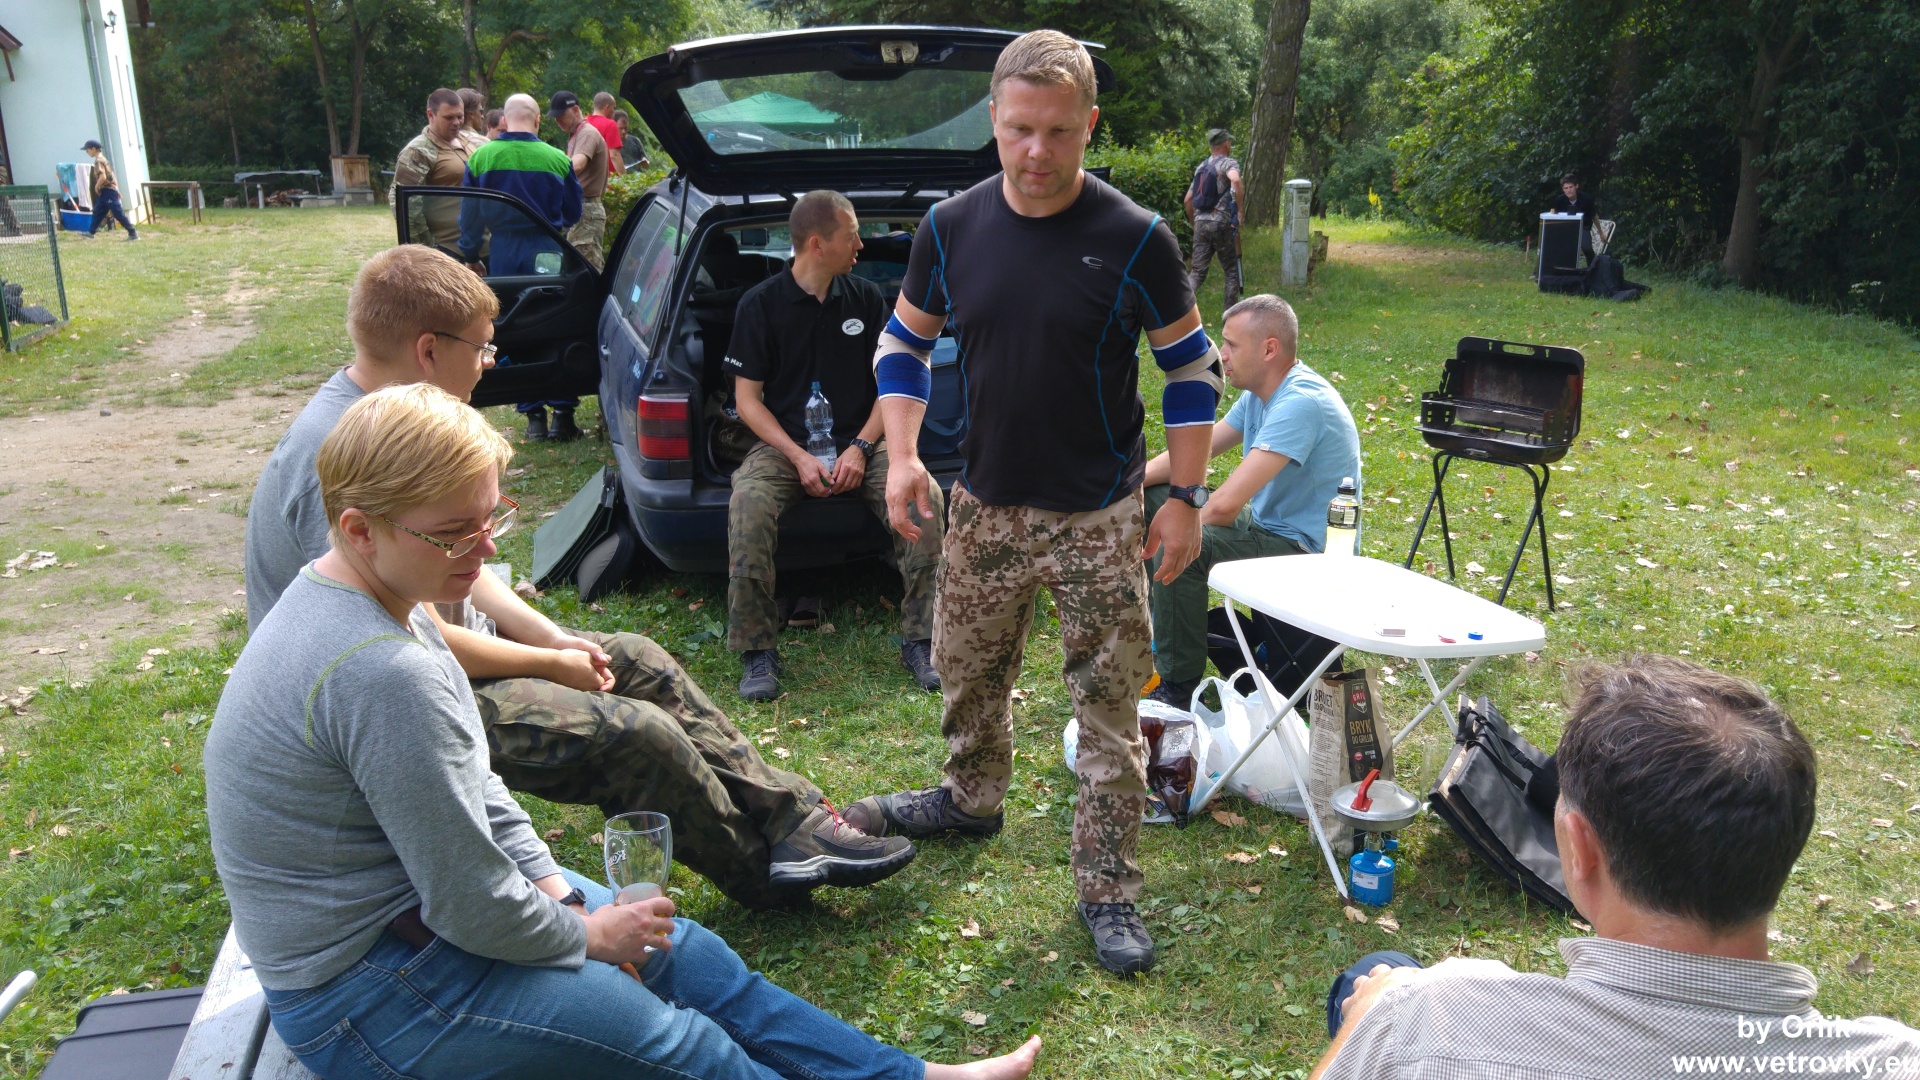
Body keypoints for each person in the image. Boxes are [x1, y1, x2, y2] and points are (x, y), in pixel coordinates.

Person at [208, 381, 1045, 1080]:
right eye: (456, 532)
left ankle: (912, 1079)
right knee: (686, 1048)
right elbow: (468, 900)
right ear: (360, 528)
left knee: (688, 955)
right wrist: (585, 933)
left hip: (419, 923)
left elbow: (479, 797)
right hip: (365, 989)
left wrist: (563, 895)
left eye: (491, 520)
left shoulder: (390, 598)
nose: (484, 551)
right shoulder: (378, 670)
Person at [244, 245, 914, 910]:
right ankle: (763, 874)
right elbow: (403, 648)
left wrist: (554, 639)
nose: (490, 360)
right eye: (481, 346)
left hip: (454, 659)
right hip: (407, 702)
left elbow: (459, 561)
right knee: (634, 736)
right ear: (428, 350)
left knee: (638, 660)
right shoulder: (338, 457)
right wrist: (548, 662)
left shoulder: (399, 417)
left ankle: (795, 822)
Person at [843, 30, 1223, 977]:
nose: (1037, 152)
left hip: (1099, 514)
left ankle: (1108, 886)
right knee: (966, 671)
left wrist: (1184, 494)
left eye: (1059, 131)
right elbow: (901, 345)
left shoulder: (1136, 237)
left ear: (1090, 125)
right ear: (993, 119)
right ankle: (970, 799)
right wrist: (901, 457)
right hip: (986, 507)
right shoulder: (950, 227)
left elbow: (1190, 371)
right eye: (1019, 129)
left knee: (1108, 706)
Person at [1311, 654, 1920, 1079]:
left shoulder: (1425, 1021)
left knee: (1372, 975)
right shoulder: (1894, 1060)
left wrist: (1373, 1020)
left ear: (1581, 849)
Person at [723, 190, 945, 702]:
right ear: (818, 244)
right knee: (748, 503)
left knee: (925, 497)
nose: (862, 245)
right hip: (786, 446)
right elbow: (747, 402)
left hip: (862, 439)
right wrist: (798, 456)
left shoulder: (865, 298)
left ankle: (924, 640)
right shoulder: (760, 305)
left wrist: (862, 447)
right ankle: (757, 650)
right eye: (853, 236)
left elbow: (893, 383)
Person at [1140, 294, 1359, 707]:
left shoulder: (1301, 403)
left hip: (1304, 552)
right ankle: (1155, 635)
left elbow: (1224, 506)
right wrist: (1128, 483)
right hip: (1266, 528)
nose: (1221, 354)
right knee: (1153, 498)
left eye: (1231, 345)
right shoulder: (1260, 394)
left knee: (1179, 541)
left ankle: (1178, 685)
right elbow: (1197, 452)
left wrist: (1180, 525)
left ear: (1269, 349)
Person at [459, 93, 584, 442]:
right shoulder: (557, 159)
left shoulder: (482, 157)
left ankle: (533, 418)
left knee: (514, 327)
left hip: (503, 253)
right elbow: (574, 212)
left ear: (505, 119)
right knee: (555, 323)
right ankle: (563, 415)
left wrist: (471, 255)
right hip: (548, 250)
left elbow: (469, 215)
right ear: (538, 119)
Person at [387, 87, 475, 251]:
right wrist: (427, 249)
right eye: (449, 117)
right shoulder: (418, 151)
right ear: (430, 115)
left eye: (460, 116)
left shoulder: (469, 142)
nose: (457, 122)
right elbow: (404, 205)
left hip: (477, 246)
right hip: (447, 249)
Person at [550, 90, 614, 270]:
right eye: (555, 117)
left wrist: (548, 171)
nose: (557, 120)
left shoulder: (587, 133)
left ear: (575, 110)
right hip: (580, 209)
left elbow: (577, 165)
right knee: (576, 268)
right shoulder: (576, 134)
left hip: (587, 210)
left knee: (586, 269)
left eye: (561, 115)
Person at [1184, 128, 1243, 309]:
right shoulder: (1228, 163)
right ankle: (1229, 317)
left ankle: (1178, 310)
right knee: (1232, 272)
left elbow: (1187, 200)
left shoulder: (1201, 168)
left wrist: (1195, 224)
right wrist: (1240, 211)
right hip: (1221, 223)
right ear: (1226, 144)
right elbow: (1236, 181)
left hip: (1200, 223)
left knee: (1196, 273)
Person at [81, 139, 137, 242]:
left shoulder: (98, 161)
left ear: (93, 149)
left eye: (87, 150)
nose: (87, 152)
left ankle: (133, 233)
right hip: (107, 191)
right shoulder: (104, 159)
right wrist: (116, 189)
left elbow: (103, 176)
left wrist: (96, 186)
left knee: (118, 213)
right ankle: (91, 232)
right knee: (98, 212)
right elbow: (112, 175)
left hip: (108, 191)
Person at [1551, 172, 1597, 263]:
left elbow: (1594, 216)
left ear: (1576, 186)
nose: (1569, 190)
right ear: (1563, 189)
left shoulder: (1587, 199)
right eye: (1566, 188)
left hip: (1583, 227)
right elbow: (1555, 217)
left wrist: (1601, 233)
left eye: (1571, 187)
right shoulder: (1559, 200)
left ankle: (1593, 267)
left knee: (1587, 248)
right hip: (1565, 228)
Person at [586, 92, 627, 177]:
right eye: (613, 108)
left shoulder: (583, 123)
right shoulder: (609, 124)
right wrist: (625, 179)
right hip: (608, 179)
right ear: (607, 107)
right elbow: (614, 155)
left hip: (589, 179)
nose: (613, 111)